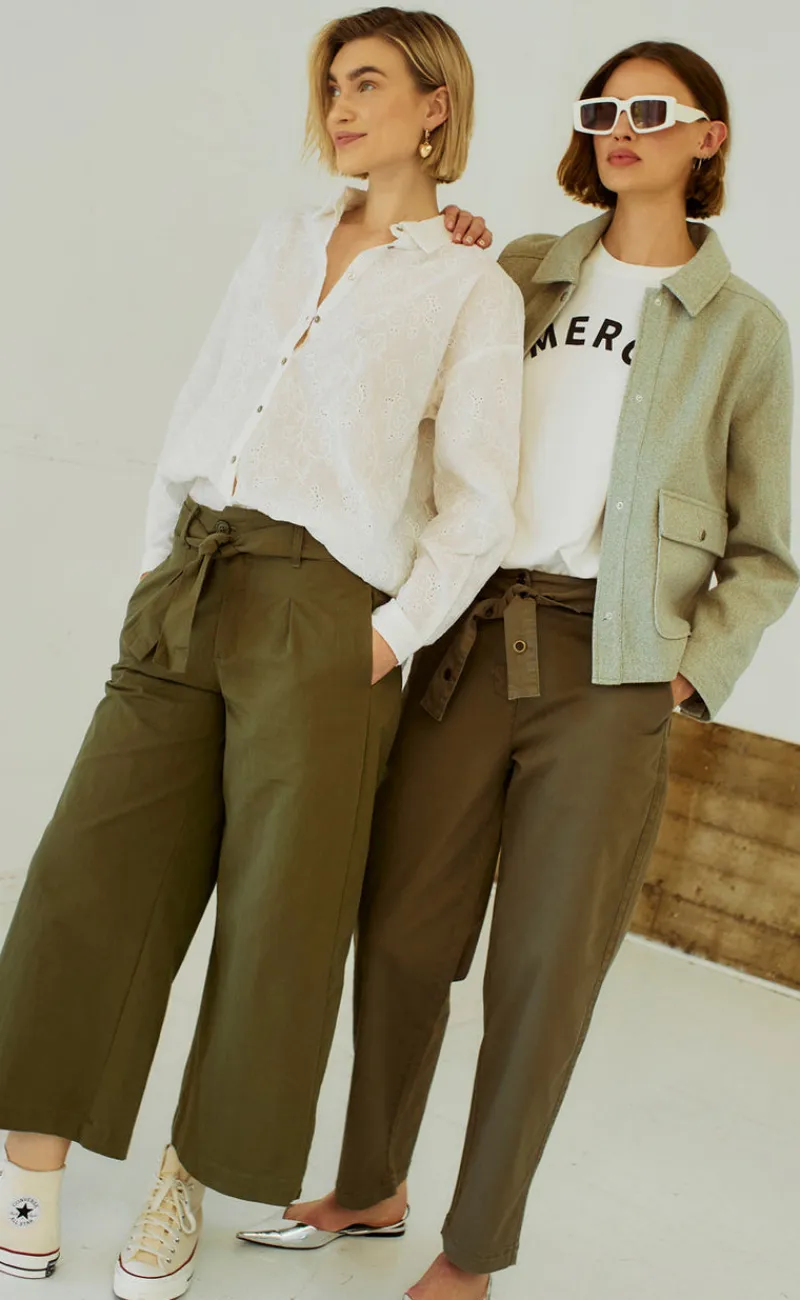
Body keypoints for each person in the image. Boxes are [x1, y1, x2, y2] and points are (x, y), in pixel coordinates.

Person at [236, 40, 799, 1300]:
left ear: (706, 138)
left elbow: (766, 550)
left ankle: (472, 1252)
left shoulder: (743, 330)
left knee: (541, 970)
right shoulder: (520, 269)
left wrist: (681, 676)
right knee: (399, 931)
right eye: (602, 108)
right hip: (470, 636)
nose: (619, 127)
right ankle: (369, 1183)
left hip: (613, 663)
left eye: (649, 110)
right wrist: (439, 245)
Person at [0, 8, 524, 1296]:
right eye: (330, 83)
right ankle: (28, 1171)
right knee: (89, 874)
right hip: (195, 574)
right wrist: (155, 568)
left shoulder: (469, 284)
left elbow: (478, 503)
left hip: (325, 611)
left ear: (434, 105)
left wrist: (385, 637)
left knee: (279, 912)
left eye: (367, 82)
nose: (338, 106)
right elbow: (202, 402)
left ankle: (184, 1180)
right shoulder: (281, 241)